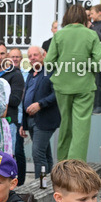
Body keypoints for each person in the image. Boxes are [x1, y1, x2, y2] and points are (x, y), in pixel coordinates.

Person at [45, 4, 101, 161]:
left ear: (67, 17)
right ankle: (75, 164)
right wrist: (84, 63)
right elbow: (99, 63)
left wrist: (64, 66)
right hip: (84, 86)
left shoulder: (59, 35)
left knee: (65, 124)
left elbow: (49, 63)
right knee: (81, 127)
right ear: (84, 17)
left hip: (62, 86)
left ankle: (63, 161)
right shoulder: (91, 35)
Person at [22, 45, 59, 188]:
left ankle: (41, 186)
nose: (32, 58)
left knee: (38, 154)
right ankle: (49, 185)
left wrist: (40, 104)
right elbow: (25, 98)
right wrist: (23, 124)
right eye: (30, 56)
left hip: (45, 119)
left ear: (43, 55)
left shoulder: (50, 72)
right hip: (31, 120)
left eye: (35, 55)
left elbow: (56, 94)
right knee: (45, 154)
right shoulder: (31, 74)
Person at [7, 46, 28, 184]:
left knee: (18, 150)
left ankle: (20, 181)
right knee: (12, 151)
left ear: (21, 59)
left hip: (20, 117)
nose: (15, 59)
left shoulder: (25, 75)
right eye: (12, 56)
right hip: (11, 117)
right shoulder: (5, 74)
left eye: (17, 57)